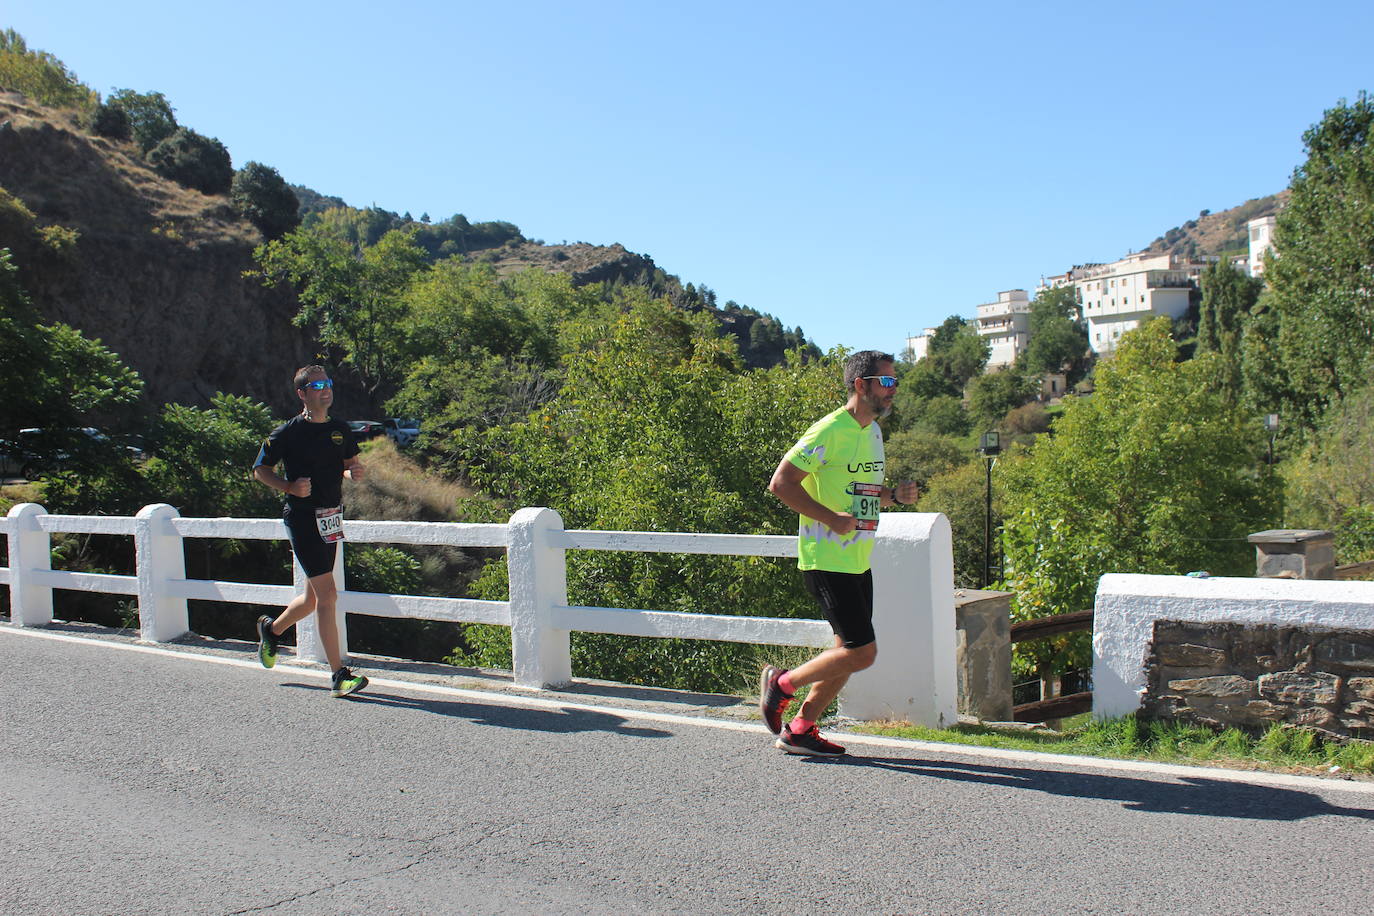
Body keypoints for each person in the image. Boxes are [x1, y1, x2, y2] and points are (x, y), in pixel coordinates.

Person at [760, 350, 918, 756]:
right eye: (886, 382)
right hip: (827, 558)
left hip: (857, 557)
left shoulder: (872, 432)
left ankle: (800, 731)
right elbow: (781, 484)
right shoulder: (830, 430)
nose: (893, 389)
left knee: (844, 652)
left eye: (895, 381)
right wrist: (831, 518)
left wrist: (893, 496)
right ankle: (781, 684)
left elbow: (859, 488)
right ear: (860, 384)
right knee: (862, 653)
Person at [252, 365, 369, 698]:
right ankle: (338, 675)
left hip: (330, 518)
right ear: (302, 394)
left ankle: (271, 631)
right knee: (328, 595)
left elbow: (347, 466)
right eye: (316, 385)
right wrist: (289, 486)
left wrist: (353, 473)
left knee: (314, 596)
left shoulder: (340, 429)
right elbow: (260, 470)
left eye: (328, 383)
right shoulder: (287, 433)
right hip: (302, 519)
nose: (325, 389)